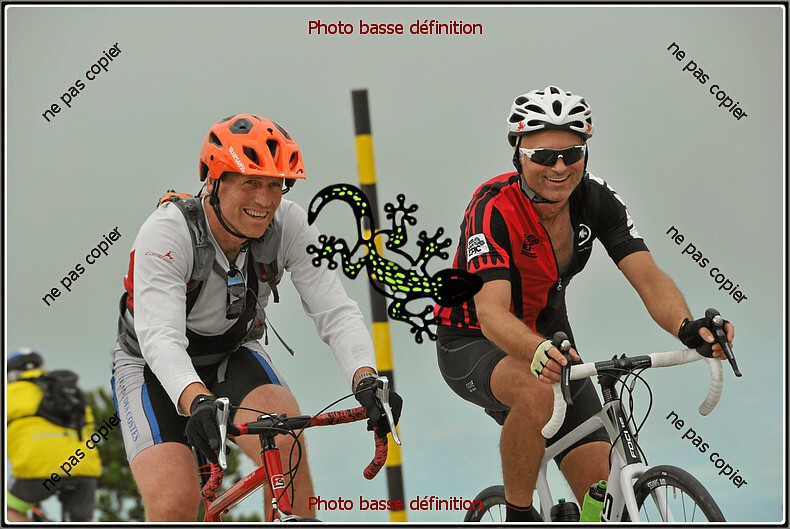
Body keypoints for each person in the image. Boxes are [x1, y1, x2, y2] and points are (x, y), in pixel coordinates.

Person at [434, 86, 735, 522]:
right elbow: (492, 313)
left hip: (551, 339)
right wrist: (537, 350)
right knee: (536, 391)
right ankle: (519, 515)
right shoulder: (492, 208)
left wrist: (689, 328)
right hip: (474, 339)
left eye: (571, 154)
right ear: (518, 154)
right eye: (543, 156)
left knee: (605, 501)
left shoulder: (596, 199)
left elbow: (649, 279)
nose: (559, 167)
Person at [111, 114, 401, 521]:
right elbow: (160, 338)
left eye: (275, 185)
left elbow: (335, 310)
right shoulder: (167, 232)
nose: (265, 201)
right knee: (175, 502)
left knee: (287, 445)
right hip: (150, 367)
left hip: (231, 352)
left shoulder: (289, 223)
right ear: (214, 181)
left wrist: (365, 378)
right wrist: (197, 400)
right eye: (250, 182)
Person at [7, 348, 102, 522]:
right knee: (82, 521)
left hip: (37, 467)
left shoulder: (10, 392)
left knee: (9, 508)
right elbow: (89, 427)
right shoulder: (68, 392)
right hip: (83, 465)